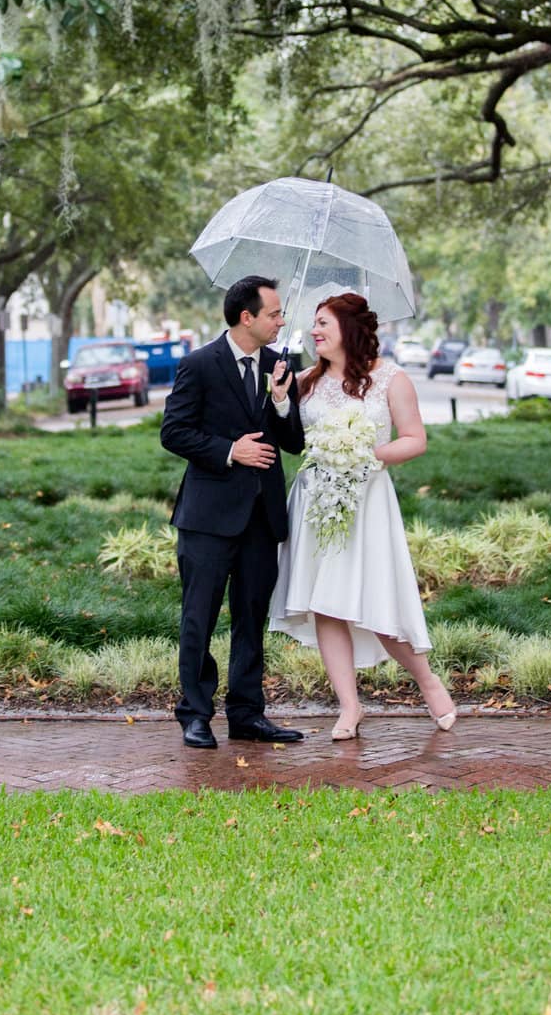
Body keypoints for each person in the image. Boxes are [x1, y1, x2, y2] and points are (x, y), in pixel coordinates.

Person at [269, 291, 458, 741]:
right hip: (316, 503)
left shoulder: (391, 378)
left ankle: (428, 681)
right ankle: (349, 707)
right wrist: (279, 399)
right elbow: (288, 437)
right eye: (314, 325)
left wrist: (366, 455)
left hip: (367, 502)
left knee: (375, 602)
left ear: (349, 331)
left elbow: (414, 439)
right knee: (325, 605)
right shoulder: (305, 381)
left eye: (323, 324)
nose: (315, 332)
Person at [160, 276, 306, 750]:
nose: (281, 321)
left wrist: (283, 403)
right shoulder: (199, 364)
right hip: (207, 517)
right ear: (247, 317)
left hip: (262, 518)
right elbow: (174, 432)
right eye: (274, 313)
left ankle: (247, 714)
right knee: (198, 617)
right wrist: (229, 451)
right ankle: (195, 714)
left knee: (251, 617)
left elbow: (293, 443)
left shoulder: (282, 367)